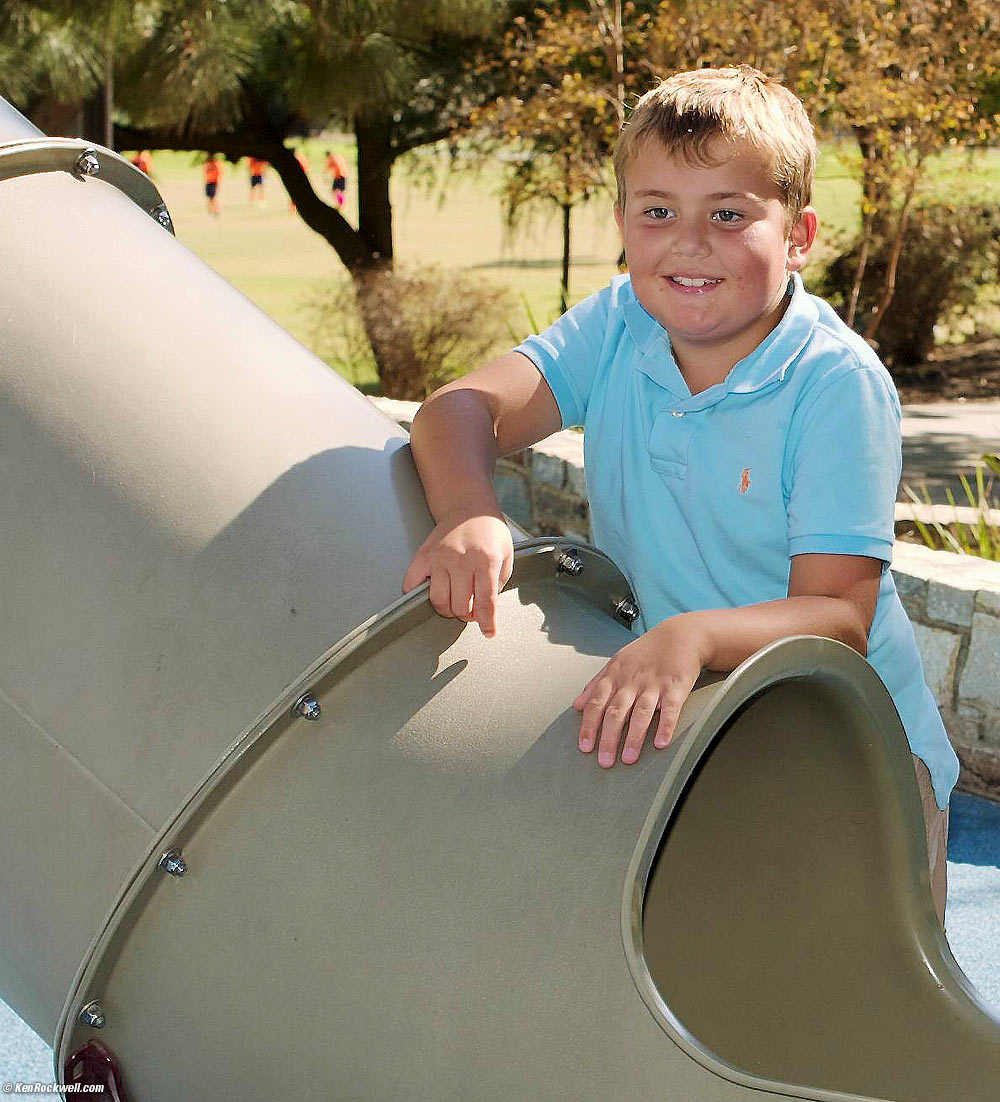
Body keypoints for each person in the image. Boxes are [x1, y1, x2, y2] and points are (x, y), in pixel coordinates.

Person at [401, 66, 958, 924]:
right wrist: (469, 508)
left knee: (856, 1003)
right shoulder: (621, 322)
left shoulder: (834, 384)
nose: (688, 242)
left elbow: (838, 614)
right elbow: (458, 409)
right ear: (623, 223)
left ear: (800, 233)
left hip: (848, 750)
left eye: (728, 215)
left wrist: (690, 635)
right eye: (657, 212)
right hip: (693, 721)